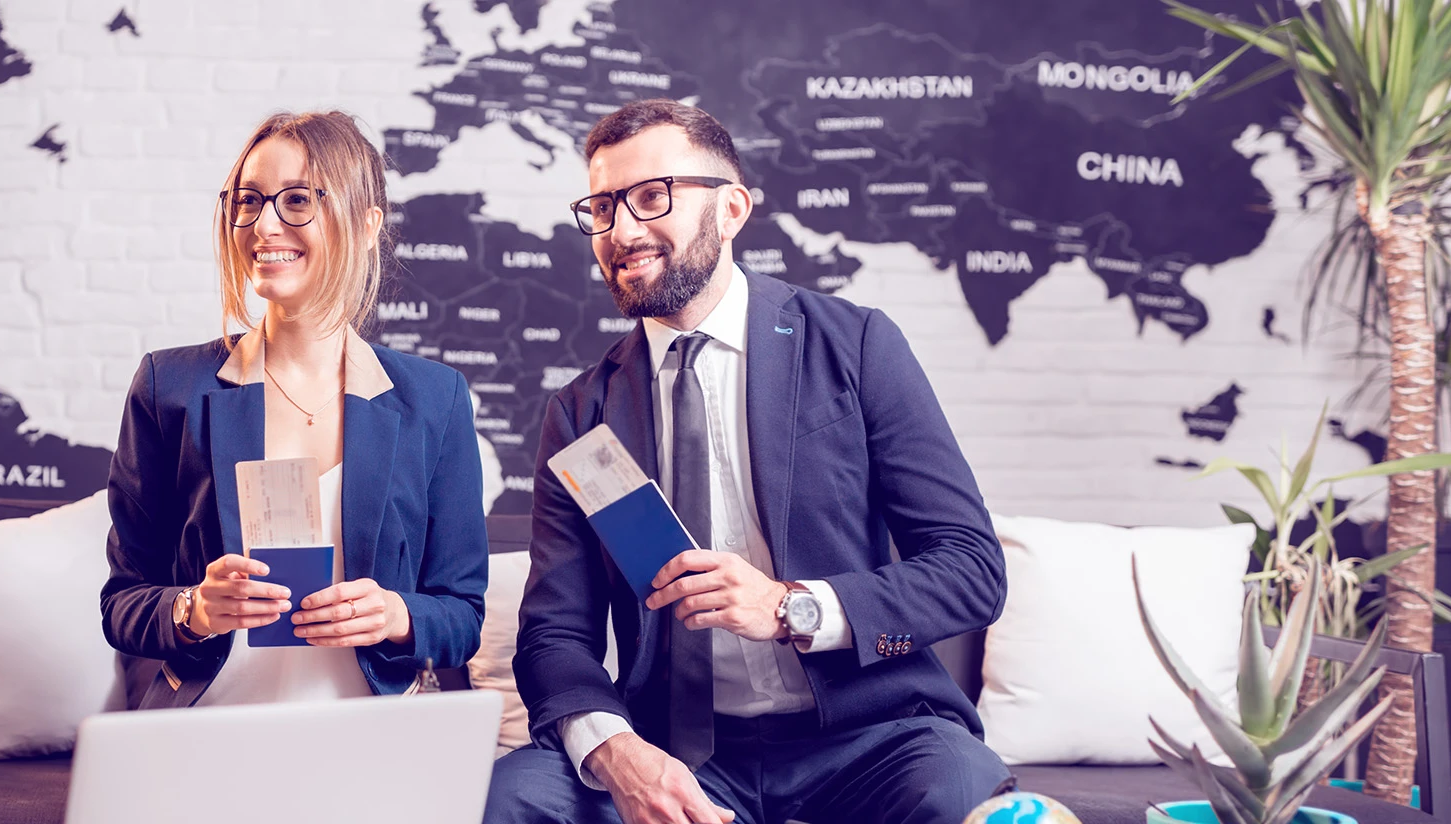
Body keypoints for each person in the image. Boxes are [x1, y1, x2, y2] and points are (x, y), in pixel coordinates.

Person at [485, 99, 1013, 824]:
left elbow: (970, 571)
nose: (622, 231)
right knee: (511, 797)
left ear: (731, 208)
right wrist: (615, 751)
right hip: (680, 749)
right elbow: (555, 636)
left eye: (651, 197)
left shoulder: (855, 347)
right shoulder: (581, 415)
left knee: (957, 789)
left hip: (869, 737)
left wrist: (789, 606)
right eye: (603, 207)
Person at [101, 110, 488, 709]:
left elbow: (461, 617)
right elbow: (122, 603)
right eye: (249, 200)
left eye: (298, 200)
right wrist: (193, 610)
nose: (264, 224)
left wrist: (394, 613)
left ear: (365, 226)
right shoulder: (168, 385)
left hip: (370, 739)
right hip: (207, 725)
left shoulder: (435, 400)